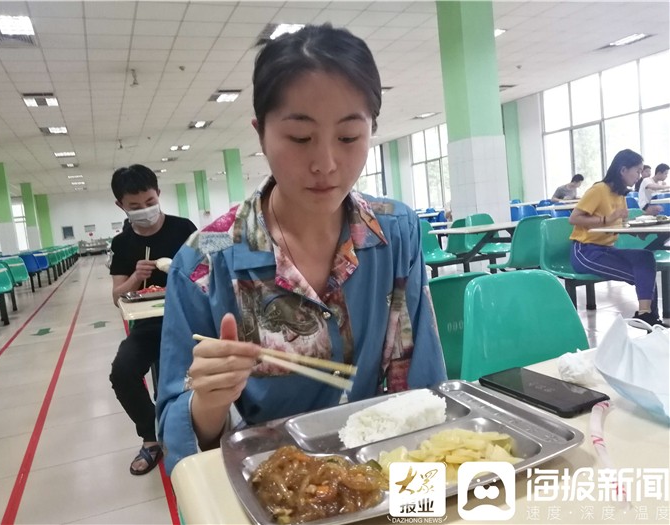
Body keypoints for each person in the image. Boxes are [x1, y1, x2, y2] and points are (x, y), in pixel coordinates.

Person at [156, 24, 448, 474]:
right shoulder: (203, 261)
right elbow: (181, 433)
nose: (326, 164)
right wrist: (209, 401)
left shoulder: (395, 231)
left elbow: (419, 377)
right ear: (261, 134)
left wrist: (422, 497)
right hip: (274, 484)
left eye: (349, 138)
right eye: (299, 138)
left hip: (386, 467)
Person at [109, 164, 197, 475]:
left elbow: (206, 272)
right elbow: (117, 295)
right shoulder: (122, 244)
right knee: (122, 372)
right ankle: (151, 437)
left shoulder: (183, 228)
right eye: (135, 207)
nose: (145, 210)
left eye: (149, 202)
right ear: (121, 206)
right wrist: (136, 277)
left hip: (188, 318)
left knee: (195, 373)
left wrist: (184, 273)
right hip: (147, 324)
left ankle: (201, 430)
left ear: (158, 195)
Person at [569, 149, 667, 327]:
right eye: (637, 170)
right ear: (623, 170)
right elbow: (574, 218)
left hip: (607, 249)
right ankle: (649, 321)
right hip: (585, 251)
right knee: (644, 276)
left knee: (645, 258)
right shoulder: (599, 190)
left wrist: (638, 229)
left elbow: (618, 225)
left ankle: (647, 316)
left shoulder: (620, 194)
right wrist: (607, 219)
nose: (639, 175)